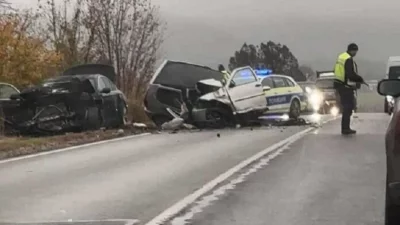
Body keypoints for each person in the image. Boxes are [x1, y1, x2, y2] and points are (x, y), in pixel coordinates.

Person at [333, 43, 364, 135]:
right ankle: (346, 128)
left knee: (346, 107)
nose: (356, 53)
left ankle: (345, 127)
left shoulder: (341, 57)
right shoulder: (348, 59)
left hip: (339, 84)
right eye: (355, 51)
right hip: (345, 86)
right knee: (348, 107)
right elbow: (350, 74)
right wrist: (359, 79)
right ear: (352, 50)